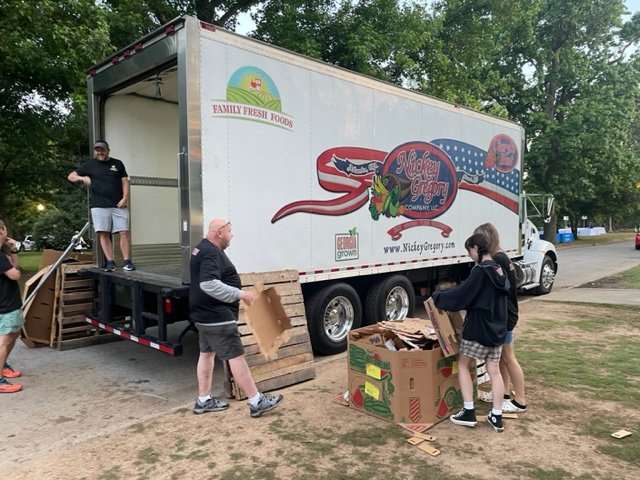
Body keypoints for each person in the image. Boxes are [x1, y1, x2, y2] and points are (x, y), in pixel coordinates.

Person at [190, 218, 283, 417]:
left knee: (206, 354)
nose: (232, 235)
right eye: (229, 231)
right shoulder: (211, 252)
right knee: (236, 357)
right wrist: (242, 294)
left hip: (204, 315)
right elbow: (208, 284)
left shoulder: (201, 248)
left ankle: (203, 400)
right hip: (217, 317)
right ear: (219, 233)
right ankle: (256, 401)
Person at [432, 233, 509, 432]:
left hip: (478, 327)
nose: (469, 255)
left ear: (476, 248)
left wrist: (439, 297)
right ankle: (497, 415)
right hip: (498, 329)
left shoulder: (480, 271)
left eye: (469, 250)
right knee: (494, 370)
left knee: (464, 364)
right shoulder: (500, 269)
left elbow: (463, 294)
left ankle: (468, 411)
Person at [474, 223, 527, 413]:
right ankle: (503, 393)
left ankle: (520, 400)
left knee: (508, 357)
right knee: (501, 358)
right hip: (507, 315)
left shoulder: (498, 260)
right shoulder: (501, 256)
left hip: (504, 317)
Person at [67, 140, 135, 272]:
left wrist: (125, 198)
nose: (100, 152)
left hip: (118, 204)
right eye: (98, 150)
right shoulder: (90, 165)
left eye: (102, 150)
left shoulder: (117, 163)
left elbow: (125, 181)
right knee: (103, 233)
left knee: (124, 232)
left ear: (108, 150)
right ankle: (110, 262)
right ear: (95, 151)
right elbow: (71, 176)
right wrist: (82, 178)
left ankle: (127, 261)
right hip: (99, 205)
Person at [0, 219, 24, 394]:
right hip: (5, 304)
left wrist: (13, 249)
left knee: (14, 334)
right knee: (4, 340)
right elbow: (15, 274)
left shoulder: (3, 252)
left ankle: (3, 365)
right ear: (2, 231)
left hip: (9, 302)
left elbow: (15, 266)